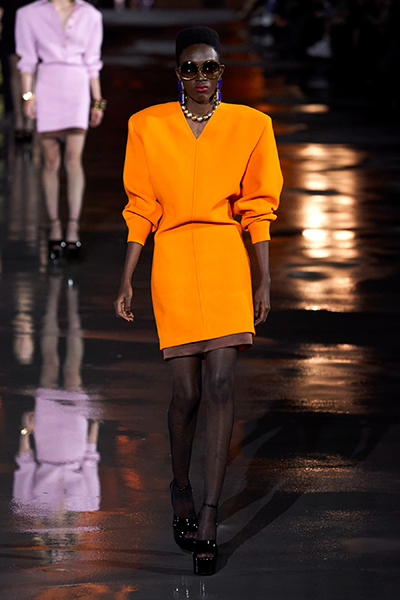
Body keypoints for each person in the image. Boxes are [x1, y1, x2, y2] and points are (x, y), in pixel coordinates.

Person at [114, 26, 283, 576]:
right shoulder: (147, 125)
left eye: (210, 66)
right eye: (191, 67)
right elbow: (141, 205)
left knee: (221, 384)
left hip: (225, 258)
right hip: (172, 260)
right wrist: (127, 277)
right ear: (178, 74)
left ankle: (210, 516)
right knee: (185, 393)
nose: (201, 76)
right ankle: (180, 487)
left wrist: (263, 279)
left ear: (222, 72)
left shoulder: (252, 126)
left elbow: (257, 207)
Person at [15, 0, 106, 261]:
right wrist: (28, 97)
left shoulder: (90, 15)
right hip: (47, 87)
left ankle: (73, 227)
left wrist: (98, 102)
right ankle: (55, 225)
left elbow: (93, 63)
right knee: (51, 161)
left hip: (77, 89)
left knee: (74, 160)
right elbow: (26, 61)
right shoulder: (28, 13)